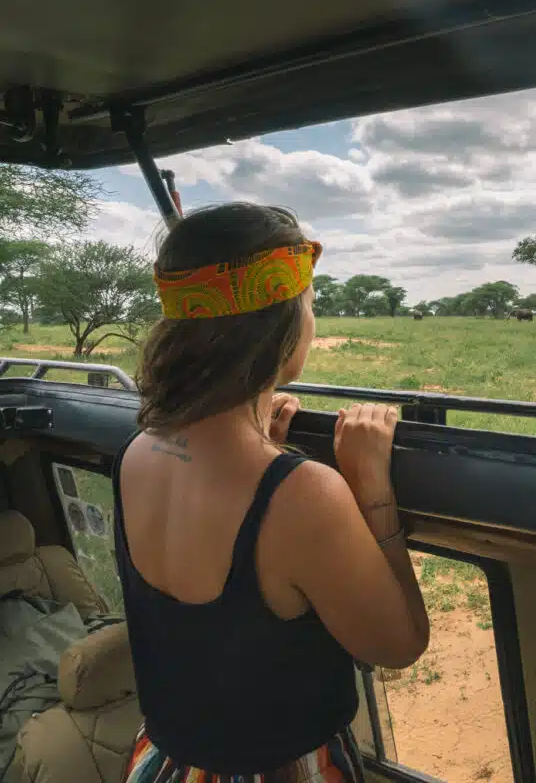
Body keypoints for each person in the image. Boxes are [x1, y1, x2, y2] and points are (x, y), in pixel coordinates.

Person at [113, 202, 430, 782]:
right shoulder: (301, 495)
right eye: (309, 305)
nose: (312, 320)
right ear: (280, 326)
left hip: (164, 762)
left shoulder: (138, 452)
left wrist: (261, 436)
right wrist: (370, 490)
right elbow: (398, 644)